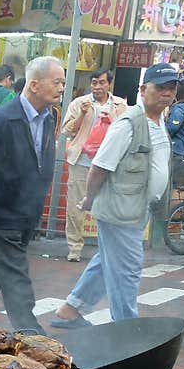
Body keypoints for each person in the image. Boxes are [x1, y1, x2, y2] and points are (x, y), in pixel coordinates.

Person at [50, 64, 177, 330]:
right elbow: (100, 166)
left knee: (107, 260)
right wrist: (88, 199)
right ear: (143, 90)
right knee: (126, 271)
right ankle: (125, 329)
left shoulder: (159, 119)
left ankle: (70, 310)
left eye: (171, 88)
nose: (166, 93)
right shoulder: (128, 123)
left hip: (138, 206)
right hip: (121, 209)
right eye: (160, 88)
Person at [0, 56, 66, 334]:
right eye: (56, 82)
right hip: (1, 211)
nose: (61, 88)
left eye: (63, 83)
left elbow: (43, 161)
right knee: (15, 275)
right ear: (34, 84)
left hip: (26, 211)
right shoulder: (3, 119)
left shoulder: (47, 118)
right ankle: (32, 335)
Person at [61, 68, 128, 263]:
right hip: (82, 161)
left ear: (109, 84)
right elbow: (67, 131)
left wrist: (113, 121)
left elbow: (127, 131)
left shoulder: (120, 105)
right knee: (75, 206)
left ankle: (107, 248)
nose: (97, 87)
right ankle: (74, 248)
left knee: (109, 206)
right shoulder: (79, 103)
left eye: (101, 83)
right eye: (94, 83)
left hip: (108, 164)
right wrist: (81, 115)